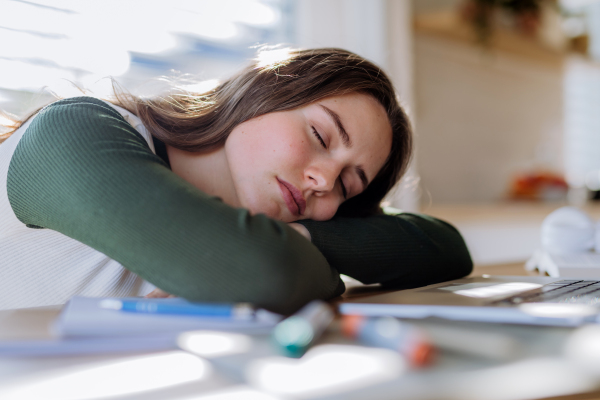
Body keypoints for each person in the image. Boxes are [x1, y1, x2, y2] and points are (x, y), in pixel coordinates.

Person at [0, 48, 472, 315]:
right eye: (319, 135)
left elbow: (445, 248)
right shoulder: (73, 133)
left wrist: (302, 237)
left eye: (349, 185)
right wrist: (297, 262)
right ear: (265, 91)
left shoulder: (260, 216)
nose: (324, 181)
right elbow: (267, 273)